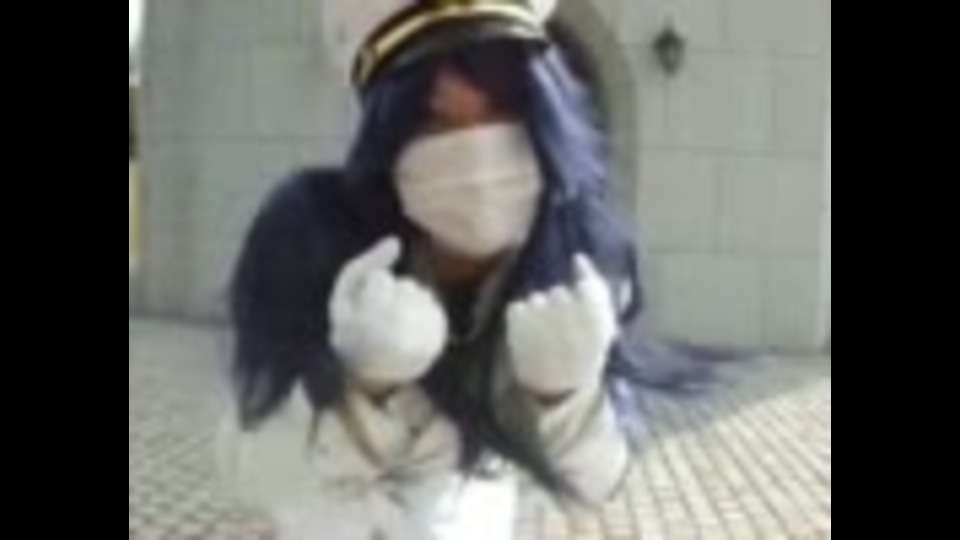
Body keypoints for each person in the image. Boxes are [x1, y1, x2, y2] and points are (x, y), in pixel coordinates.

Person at [219, 1, 656, 538]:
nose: (476, 152)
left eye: (502, 113)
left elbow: (597, 483)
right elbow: (258, 475)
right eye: (433, 120)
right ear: (387, 137)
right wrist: (365, 389)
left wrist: (567, 398)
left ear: (544, 119)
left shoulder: (580, 258)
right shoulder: (312, 233)